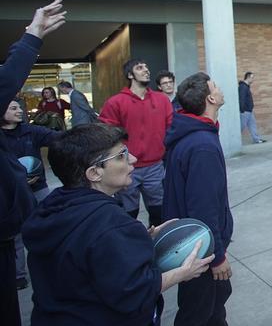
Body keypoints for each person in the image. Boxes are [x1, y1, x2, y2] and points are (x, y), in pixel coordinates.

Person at [21, 123, 213, 326]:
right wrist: (183, 272)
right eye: (121, 155)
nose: (133, 159)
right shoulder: (110, 224)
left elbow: (84, 256)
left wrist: (136, 243)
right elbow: (133, 292)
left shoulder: (52, 208)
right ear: (94, 173)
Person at [0, 0, 65, 326]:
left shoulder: (29, 130)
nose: (16, 108)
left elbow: (54, 137)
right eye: (10, 105)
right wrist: (31, 35)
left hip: (29, 196)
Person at [163, 72, 234, 326]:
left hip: (195, 245)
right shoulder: (202, 145)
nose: (221, 89)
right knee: (199, 312)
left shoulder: (195, 133)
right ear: (211, 98)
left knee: (213, 308)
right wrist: (216, 257)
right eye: (216, 86)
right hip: (201, 250)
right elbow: (203, 208)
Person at [99, 59, 172, 227]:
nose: (146, 70)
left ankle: (160, 249)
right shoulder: (115, 102)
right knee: (128, 215)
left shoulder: (162, 100)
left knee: (159, 214)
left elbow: (171, 129)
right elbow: (106, 133)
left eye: (146, 67)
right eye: (140, 68)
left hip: (155, 167)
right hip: (126, 168)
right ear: (130, 75)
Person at [1, 98, 59, 290]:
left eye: (20, 107)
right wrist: (16, 181)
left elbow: (58, 137)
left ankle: (53, 267)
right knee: (15, 236)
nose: (20, 111)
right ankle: (18, 276)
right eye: (14, 108)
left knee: (48, 228)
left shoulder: (30, 131)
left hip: (39, 189)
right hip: (13, 195)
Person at [238, 71, 265, 144]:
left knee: (252, 125)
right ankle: (234, 138)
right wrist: (242, 110)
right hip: (245, 111)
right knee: (241, 126)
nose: (253, 80)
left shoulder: (246, 87)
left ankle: (256, 139)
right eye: (252, 78)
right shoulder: (243, 87)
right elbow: (242, 98)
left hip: (249, 110)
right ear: (248, 77)